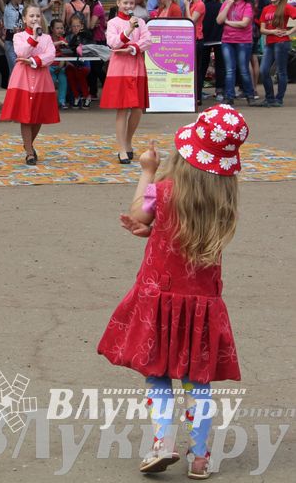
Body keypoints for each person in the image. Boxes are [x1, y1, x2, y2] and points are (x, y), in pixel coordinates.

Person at [97, 105, 248, 480]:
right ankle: (200, 458)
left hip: (159, 299)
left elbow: (138, 212)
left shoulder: (163, 191)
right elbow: (184, 233)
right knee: (198, 380)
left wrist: (147, 170)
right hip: (202, 304)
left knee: (158, 374)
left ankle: (161, 443)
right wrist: (156, 231)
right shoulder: (223, 204)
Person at [0, 4, 58, 166]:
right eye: (31, 16)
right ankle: (29, 152)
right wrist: (33, 38)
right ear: (24, 18)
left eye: (37, 16)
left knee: (38, 115)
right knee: (26, 115)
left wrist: (34, 60)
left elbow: (50, 55)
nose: (35, 19)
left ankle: (28, 144)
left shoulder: (46, 38)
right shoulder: (19, 37)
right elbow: (21, 52)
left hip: (41, 80)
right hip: (23, 79)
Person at [101, 0, 151, 164]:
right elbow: (113, 42)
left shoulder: (141, 22)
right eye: (125, 3)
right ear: (118, 3)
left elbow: (147, 40)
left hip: (136, 67)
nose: (129, 6)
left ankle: (128, 140)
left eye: (131, 3)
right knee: (122, 109)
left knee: (137, 109)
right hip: (120, 68)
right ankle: (122, 148)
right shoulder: (113, 22)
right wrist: (128, 30)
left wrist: (134, 48)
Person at [216, 0, 260, 106]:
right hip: (227, 40)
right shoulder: (226, 3)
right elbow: (219, 20)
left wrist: (228, 22)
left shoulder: (247, 5)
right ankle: (229, 96)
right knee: (230, 70)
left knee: (243, 69)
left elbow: (244, 23)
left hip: (243, 41)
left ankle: (250, 95)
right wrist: (228, 5)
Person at [258, 0, 296, 106]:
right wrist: (272, 31)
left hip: (282, 43)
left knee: (281, 71)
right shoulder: (266, 9)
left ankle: (279, 99)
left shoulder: (286, 7)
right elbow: (262, 29)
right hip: (269, 43)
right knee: (263, 71)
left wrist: (290, 31)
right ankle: (269, 98)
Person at [201, 0, 226, 102]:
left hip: (204, 39)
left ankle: (199, 91)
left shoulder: (203, 7)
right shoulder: (221, 6)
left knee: (202, 66)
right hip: (219, 38)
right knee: (220, 66)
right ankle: (220, 90)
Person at [184, 0, 206, 104]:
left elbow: (191, 21)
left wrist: (187, 7)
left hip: (197, 38)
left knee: (197, 68)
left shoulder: (200, 5)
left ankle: (198, 96)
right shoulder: (194, 4)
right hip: (191, 39)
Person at [65, 14, 93, 108]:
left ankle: (86, 96)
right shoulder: (70, 37)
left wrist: (81, 34)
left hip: (84, 64)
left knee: (79, 73)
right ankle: (77, 96)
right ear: (71, 27)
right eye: (73, 26)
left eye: (78, 26)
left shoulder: (86, 35)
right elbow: (70, 49)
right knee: (69, 71)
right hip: (74, 63)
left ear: (82, 26)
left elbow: (89, 44)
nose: (76, 28)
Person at [86, 0, 108, 100]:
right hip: (94, 40)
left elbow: (91, 25)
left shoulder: (97, 8)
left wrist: (91, 22)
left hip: (99, 40)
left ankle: (108, 87)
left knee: (97, 68)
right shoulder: (93, 7)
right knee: (93, 68)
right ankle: (93, 92)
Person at [3, 0, 27, 78]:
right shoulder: (8, 9)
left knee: (20, 68)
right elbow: (12, 28)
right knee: (14, 68)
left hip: (21, 42)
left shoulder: (22, 7)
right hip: (11, 42)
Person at [48, 19, 69, 109]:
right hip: (49, 66)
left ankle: (62, 102)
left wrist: (61, 65)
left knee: (63, 80)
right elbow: (47, 47)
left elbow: (65, 55)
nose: (60, 30)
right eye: (57, 28)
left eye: (61, 28)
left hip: (60, 66)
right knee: (50, 80)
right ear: (52, 29)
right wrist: (59, 43)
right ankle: (50, 102)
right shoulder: (47, 38)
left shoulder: (64, 40)